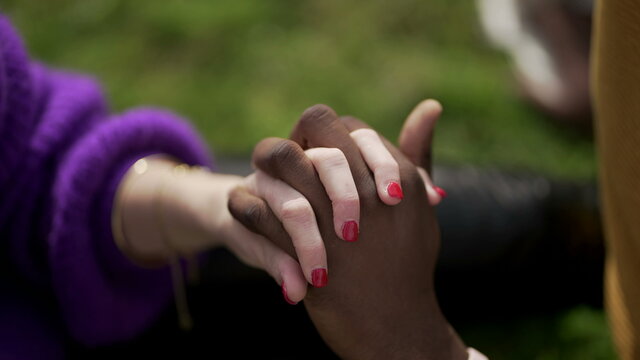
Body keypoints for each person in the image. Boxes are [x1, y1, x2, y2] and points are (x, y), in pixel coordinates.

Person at [0, 13, 447, 358]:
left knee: (376, 214)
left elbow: (31, 170)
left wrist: (212, 206)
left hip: (119, 250)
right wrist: (422, 345)